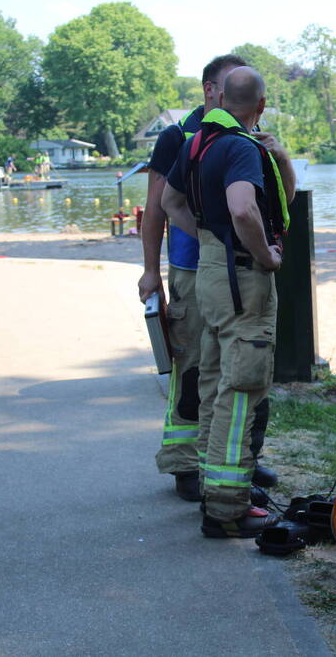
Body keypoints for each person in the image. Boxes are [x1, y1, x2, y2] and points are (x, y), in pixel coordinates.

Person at [161, 66, 296, 538]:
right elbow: (243, 208)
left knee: (216, 385)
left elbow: (171, 202)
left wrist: (206, 235)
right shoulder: (240, 147)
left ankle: (211, 487)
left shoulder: (200, 140)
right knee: (242, 391)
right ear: (260, 107)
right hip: (243, 279)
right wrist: (266, 256)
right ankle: (227, 510)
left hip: (211, 274)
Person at [138, 54, 277, 502]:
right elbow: (157, 208)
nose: (229, 98)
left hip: (237, 270)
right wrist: (149, 271)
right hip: (189, 268)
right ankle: (184, 464)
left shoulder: (243, 137)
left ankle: (237, 462)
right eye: (223, 88)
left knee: (238, 370)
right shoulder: (179, 137)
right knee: (194, 369)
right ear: (208, 90)